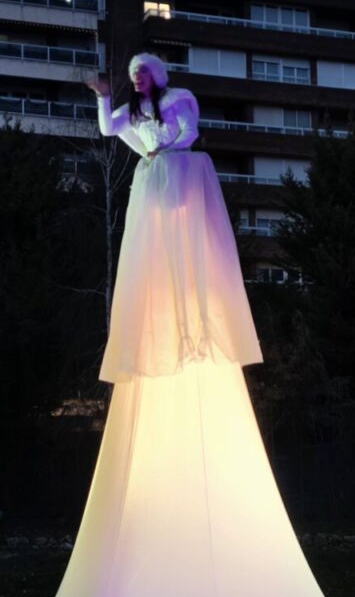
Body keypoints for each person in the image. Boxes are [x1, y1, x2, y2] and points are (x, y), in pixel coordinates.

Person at [87, 53, 262, 383]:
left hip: (179, 168)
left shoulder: (174, 100)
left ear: (155, 75)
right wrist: (104, 96)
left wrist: (165, 150)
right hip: (156, 171)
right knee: (154, 233)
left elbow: (189, 132)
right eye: (133, 73)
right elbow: (109, 128)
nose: (137, 78)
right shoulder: (136, 109)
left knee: (185, 230)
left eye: (142, 72)